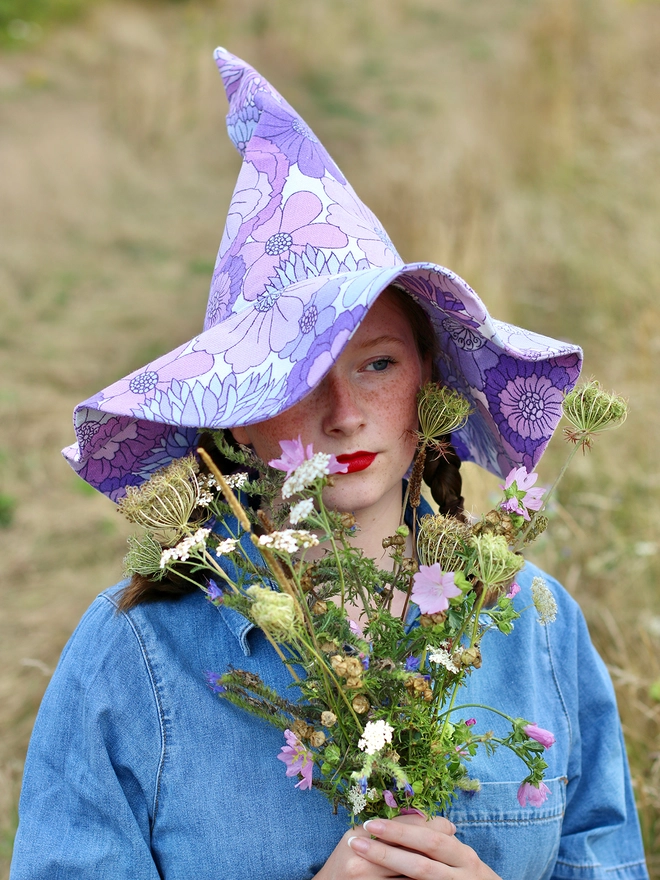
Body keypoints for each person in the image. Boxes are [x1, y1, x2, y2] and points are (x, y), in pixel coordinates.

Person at [10, 50, 648, 880]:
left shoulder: (538, 627)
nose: (343, 412)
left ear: (429, 379)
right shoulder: (133, 656)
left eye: (377, 364)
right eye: (296, 377)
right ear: (236, 414)